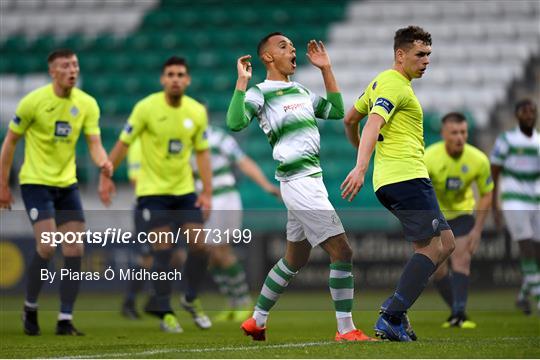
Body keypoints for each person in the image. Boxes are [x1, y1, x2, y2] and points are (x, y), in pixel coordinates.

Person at [227, 32, 374, 342]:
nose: (292, 49)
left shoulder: (301, 90)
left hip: (308, 180)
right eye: (284, 46)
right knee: (343, 251)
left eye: (292, 46)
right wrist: (241, 83)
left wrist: (326, 69)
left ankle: (257, 320)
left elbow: (335, 111)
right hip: (299, 182)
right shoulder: (261, 92)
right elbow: (235, 122)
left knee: (294, 259)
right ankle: (346, 329)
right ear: (267, 57)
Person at [341, 26, 455, 342]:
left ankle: (397, 315)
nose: (426, 61)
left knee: (446, 243)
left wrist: (363, 153)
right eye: (420, 55)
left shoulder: (381, 81)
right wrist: (360, 165)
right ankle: (392, 315)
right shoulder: (395, 86)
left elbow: (351, 120)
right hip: (406, 177)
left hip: (395, 178)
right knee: (432, 247)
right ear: (400, 55)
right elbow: (371, 124)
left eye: (429, 55)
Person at [0, 49, 112, 336]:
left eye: (75, 64)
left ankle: (64, 319)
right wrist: (2, 184)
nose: (72, 70)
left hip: (67, 185)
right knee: (48, 246)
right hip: (36, 183)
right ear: (53, 71)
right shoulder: (33, 102)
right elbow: (10, 143)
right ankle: (31, 306)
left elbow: (94, 143)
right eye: (65, 66)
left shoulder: (87, 103)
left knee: (75, 250)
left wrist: (103, 163)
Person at [99, 56, 212, 333]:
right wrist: (106, 175)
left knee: (200, 247)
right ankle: (165, 312)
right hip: (153, 193)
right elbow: (123, 144)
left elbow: (202, 153)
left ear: (188, 80)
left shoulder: (196, 111)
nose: (175, 78)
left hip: (185, 191)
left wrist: (207, 191)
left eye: (180, 74)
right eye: (170, 74)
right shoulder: (146, 108)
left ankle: (191, 298)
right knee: (164, 252)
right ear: (163, 79)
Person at [193, 124, 280, 322]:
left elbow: (243, 161)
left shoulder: (216, 137)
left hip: (223, 197)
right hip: (203, 200)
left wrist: (266, 185)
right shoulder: (184, 141)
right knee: (210, 254)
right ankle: (233, 302)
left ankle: (243, 302)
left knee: (220, 250)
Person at [425, 112, 493, 328]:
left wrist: (477, 230)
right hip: (437, 216)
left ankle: (458, 314)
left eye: (463, 132)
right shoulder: (428, 157)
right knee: (439, 270)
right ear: (444, 134)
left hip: (463, 214)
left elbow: (487, 192)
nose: (459, 137)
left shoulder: (478, 159)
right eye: (454, 132)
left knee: (461, 259)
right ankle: (457, 310)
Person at [490, 99, 539, 315]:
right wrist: (495, 204)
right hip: (513, 201)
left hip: (535, 201)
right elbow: (495, 171)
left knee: (536, 253)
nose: (529, 114)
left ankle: (522, 296)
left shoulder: (538, 141)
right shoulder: (507, 140)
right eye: (525, 111)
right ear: (517, 115)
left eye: (532, 111)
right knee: (527, 248)